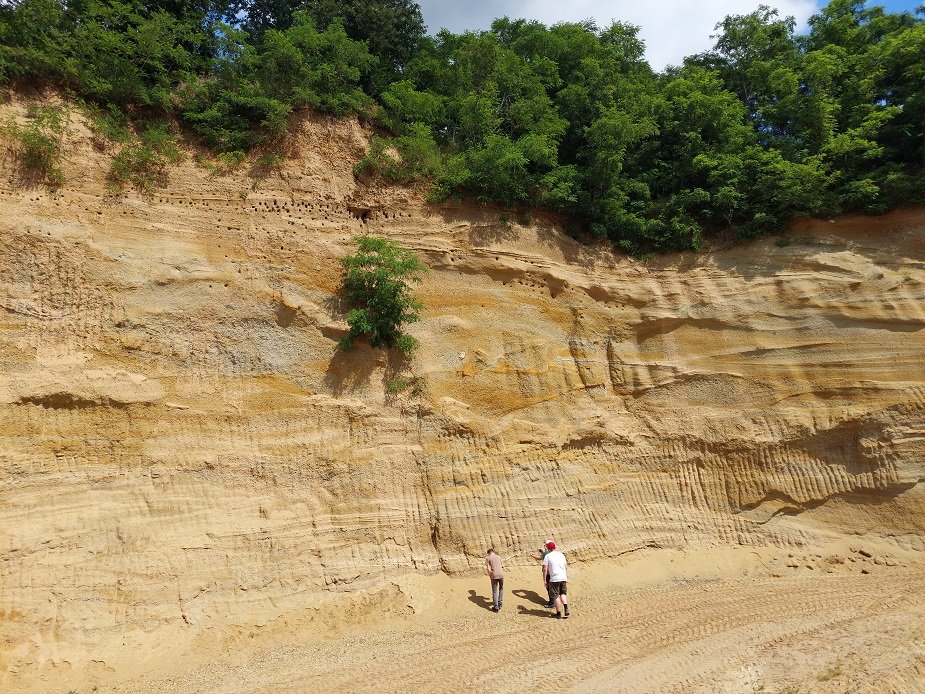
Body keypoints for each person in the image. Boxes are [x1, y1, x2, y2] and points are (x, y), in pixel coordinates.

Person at [542, 540, 569, 619]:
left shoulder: (548, 556)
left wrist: (544, 580)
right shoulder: (561, 555)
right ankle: (566, 608)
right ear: (555, 547)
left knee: (556, 596)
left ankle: (558, 613)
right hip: (563, 577)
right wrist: (564, 575)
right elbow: (565, 566)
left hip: (554, 579)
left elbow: (545, 569)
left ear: (548, 548)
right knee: (563, 594)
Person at [531, 540, 556, 608]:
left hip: (548, 573)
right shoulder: (554, 553)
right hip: (554, 573)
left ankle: (551, 603)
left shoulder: (546, 553)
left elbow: (540, 558)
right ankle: (556, 601)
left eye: (545, 545)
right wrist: (542, 552)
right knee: (554, 588)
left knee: (549, 588)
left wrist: (532, 556)